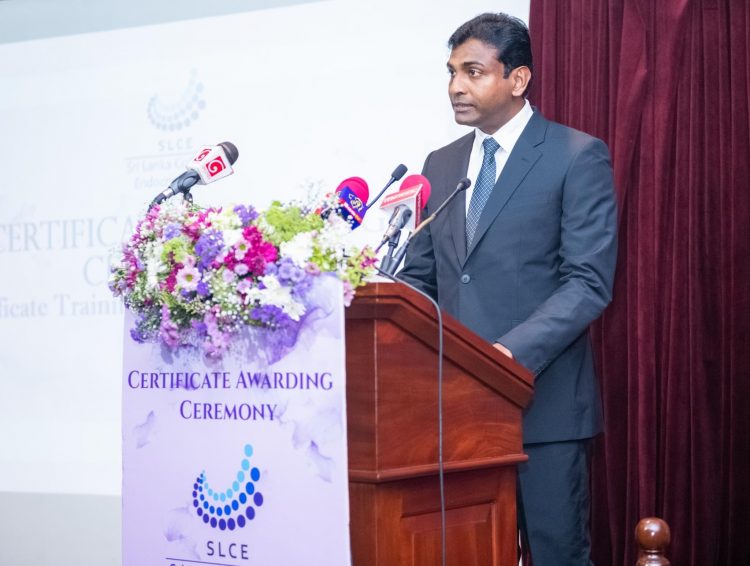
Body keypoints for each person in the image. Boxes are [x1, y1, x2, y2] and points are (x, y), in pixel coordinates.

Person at [397, 12, 617, 565]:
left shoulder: (575, 155)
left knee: (557, 556)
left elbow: (587, 283)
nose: (455, 86)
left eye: (472, 72)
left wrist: (505, 355)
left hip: (542, 409)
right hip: (455, 411)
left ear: (517, 79)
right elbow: (421, 278)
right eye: (451, 72)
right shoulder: (440, 164)